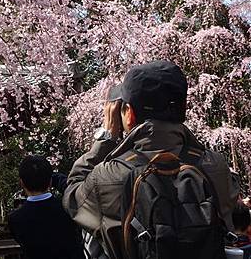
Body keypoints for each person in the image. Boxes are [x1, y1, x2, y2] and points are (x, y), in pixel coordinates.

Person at [62, 60, 239, 259]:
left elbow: (72, 197)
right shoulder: (214, 166)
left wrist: (106, 138)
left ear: (129, 114)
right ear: (183, 108)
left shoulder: (107, 176)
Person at [8, 155, 84, 259]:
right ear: (50, 181)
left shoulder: (15, 219)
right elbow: (72, 191)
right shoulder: (68, 208)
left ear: (21, 183)